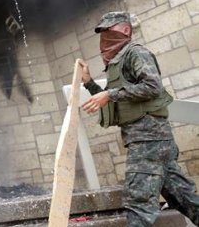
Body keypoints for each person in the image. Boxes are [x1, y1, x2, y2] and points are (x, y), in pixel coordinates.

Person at [78, 11, 199, 227]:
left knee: (138, 201)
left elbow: (152, 87)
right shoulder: (119, 60)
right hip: (151, 140)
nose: (104, 36)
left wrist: (109, 94)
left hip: (149, 139)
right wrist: (89, 83)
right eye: (102, 33)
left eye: (109, 30)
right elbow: (118, 99)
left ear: (125, 29)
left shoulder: (135, 53)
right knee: (185, 199)